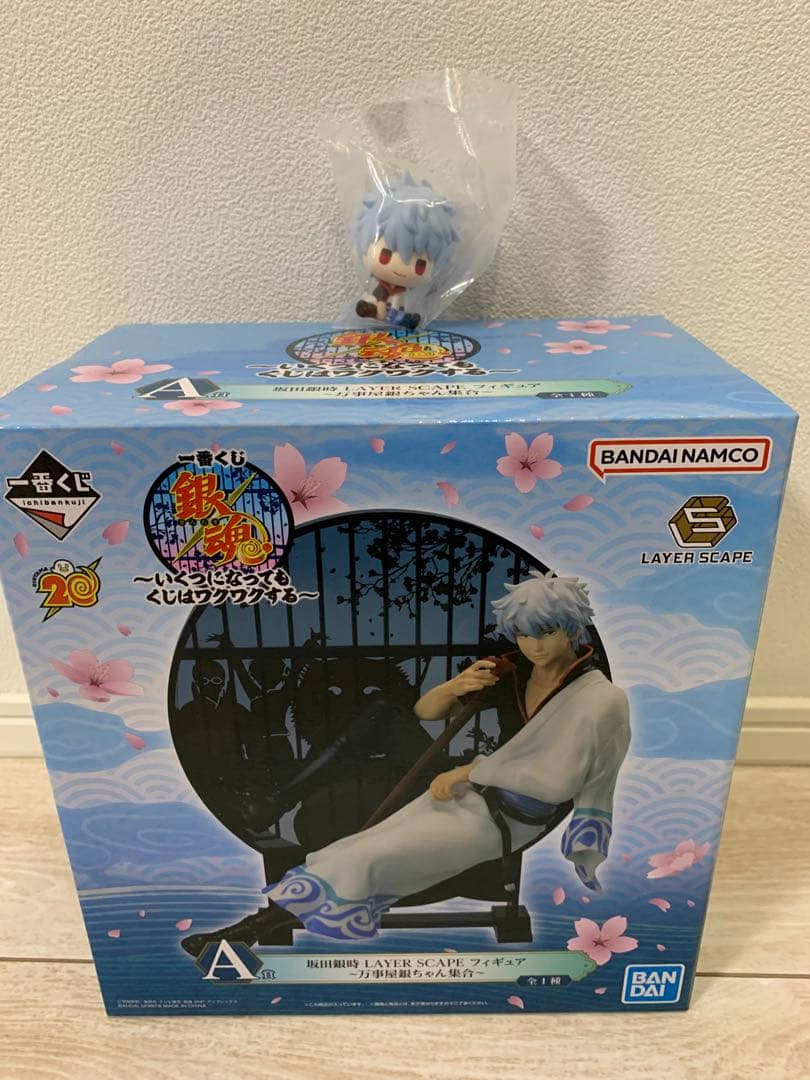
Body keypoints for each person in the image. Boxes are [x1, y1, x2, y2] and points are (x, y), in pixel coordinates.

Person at [181, 572, 630, 954]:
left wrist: (467, 771)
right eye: (523, 634)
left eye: (546, 632)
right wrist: (456, 686)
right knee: (346, 849)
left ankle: (247, 921)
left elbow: (557, 779)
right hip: (475, 789)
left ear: (572, 629)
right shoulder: (513, 672)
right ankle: (245, 931)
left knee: (370, 856)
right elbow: (425, 713)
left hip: (512, 814)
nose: (533, 645)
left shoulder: (600, 700)